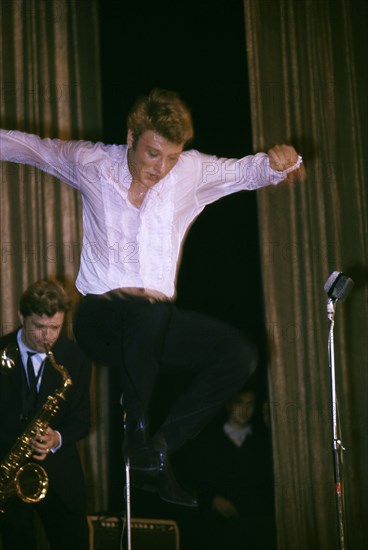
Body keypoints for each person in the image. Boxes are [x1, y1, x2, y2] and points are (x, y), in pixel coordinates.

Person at [0, 88, 305, 507]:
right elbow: (32, 148)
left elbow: (246, 172)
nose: (160, 169)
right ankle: (137, 438)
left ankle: (156, 451)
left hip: (151, 327)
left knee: (239, 354)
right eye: (152, 154)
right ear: (131, 137)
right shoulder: (92, 163)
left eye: (171, 158)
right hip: (99, 321)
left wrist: (279, 164)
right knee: (146, 312)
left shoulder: (190, 174)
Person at [0, 279, 91, 550]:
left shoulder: (75, 357)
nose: (47, 337)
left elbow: (83, 419)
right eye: (39, 327)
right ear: (21, 316)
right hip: (8, 478)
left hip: (61, 480)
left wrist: (57, 438)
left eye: (55, 328)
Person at [192, 387, 277, 550]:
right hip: (219, 531)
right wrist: (212, 500)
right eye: (239, 403)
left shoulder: (261, 442)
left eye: (250, 404)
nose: (245, 410)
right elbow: (195, 480)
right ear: (228, 405)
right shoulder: (209, 440)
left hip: (255, 531)